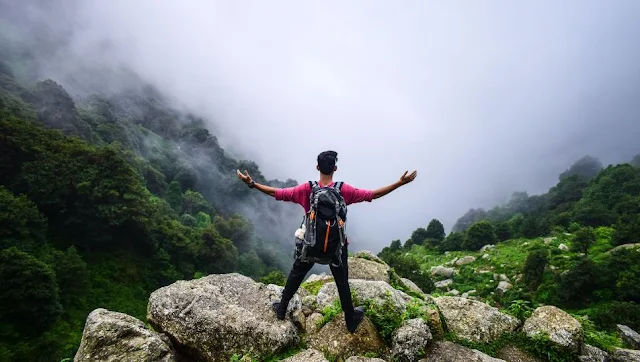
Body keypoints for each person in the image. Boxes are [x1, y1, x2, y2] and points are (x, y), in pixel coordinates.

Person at [236, 150, 417, 333]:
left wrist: (252, 184)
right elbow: (372, 195)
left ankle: (282, 307)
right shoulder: (343, 190)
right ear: (335, 168)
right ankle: (351, 318)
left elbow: (278, 193)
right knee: (341, 281)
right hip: (336, 247)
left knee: (297, 272)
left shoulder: (307, 189)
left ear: (317, 167)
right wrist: (400, 183)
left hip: (311, 243)